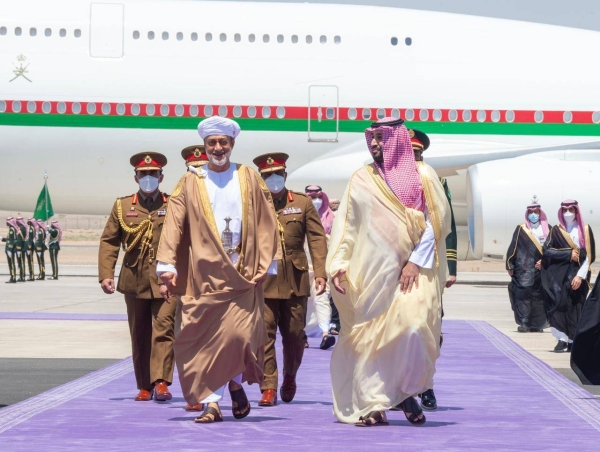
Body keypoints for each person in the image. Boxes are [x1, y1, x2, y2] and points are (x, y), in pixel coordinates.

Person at [328, 117, 451, 426]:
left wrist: (413, 263)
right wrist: (339, 264)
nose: (374, 144)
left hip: (415, 272)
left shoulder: (423, 175)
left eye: (381, 138)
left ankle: (408, 392)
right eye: (371, 138)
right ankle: (373, 406)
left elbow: (436, 225)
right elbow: (347, 227)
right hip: (371, 272)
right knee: (370, 339)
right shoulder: (360, 178)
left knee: (412, 329)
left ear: (396, 139)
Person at [156, 116, 280, 424]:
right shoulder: (190, 181)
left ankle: (235, 382)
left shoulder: (249, 177)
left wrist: (270, 263)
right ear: (204, 147)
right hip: (202, 276)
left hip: (243, 272)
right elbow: (173, 223)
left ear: (232, 144)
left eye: (223, 142)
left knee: (238, 337)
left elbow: (267, 220)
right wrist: (166, 265)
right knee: (201, 341)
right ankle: (213, 404)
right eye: (211, 143)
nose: (217, 148)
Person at [99, 151, 177, 402]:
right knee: (139, 332)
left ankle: (162, 381)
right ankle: (144, 384)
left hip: (166, 279)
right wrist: (105, 274)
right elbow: (110, 241)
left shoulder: (173, 203)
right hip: (134, 279)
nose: (148, 178)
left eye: (153, 174)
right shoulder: (122, 206)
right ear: (136, 177)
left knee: (164, 329)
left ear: (161, 176)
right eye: (143, 174)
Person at [252, 152, 328, 407]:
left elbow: (316, 239)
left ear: (285, 176)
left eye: (277, 175)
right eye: (267, 176)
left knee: (295, 335)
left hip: (295, 280)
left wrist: (320, 272)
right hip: (263, 280)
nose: (273, 179)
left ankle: (290, 376)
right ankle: (269, 386)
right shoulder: (253, 204)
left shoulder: (303, 203)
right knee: (264, 335)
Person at [409, 128, 457, 411]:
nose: (414, 160)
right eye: (409, 154)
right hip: (398, 268)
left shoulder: (436, 181)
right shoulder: (389, 182)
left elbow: (446, 225)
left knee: (429, 327)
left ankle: (426, 386)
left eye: (418, 155)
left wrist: (450, 266)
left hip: (430, 267)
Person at [542, 200, 595, 352]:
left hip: (578, 274)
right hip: (558, 276)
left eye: (571, 209)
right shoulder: (556, 230)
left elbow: (589, 256)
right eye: (564, 210)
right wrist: (568, 254)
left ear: (576, 211)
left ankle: (573, 340)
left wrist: (580, 276)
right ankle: (561, 339)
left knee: (575, 307)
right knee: (558, 305)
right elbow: (547, 251)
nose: (568, 213)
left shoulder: (584, 229)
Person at [506, 200, 550, 333]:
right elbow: (513, 247)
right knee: (522, 295)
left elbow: (554, 249)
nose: (533, 214)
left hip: (542, 269)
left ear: (540, 213)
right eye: (530, 212)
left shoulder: (550, 229)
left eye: (535, 212)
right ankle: (524, 322)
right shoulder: (522, 229)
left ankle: (537, 324)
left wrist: (545, 261)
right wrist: (510, 264)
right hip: (524, 268)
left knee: (540, 296)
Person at [304, 185, 335, 350]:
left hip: (322, 265)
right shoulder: (300, 216)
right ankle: (301, 335)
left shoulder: (331, 218)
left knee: (321, 296)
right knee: (303, 302)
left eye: (318, 197)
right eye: (311, 197)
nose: (315, 201)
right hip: (302, 265)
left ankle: (325, 333)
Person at [4, 217, 18, 283]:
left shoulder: (12, 230)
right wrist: (2, 239)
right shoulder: (11, 229)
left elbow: (12, 240)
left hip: (10, 249)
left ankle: (13, 277)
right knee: (11, 263)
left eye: (7, 221)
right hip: (10, 249)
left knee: (11, 263)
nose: (7, 223)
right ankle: (12, 277)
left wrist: (9, 249)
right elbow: (9, 239)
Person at [15, 216, 28, 282]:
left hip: (21, 248)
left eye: (17, 221)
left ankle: (22, 277)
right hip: (22, 247)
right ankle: (22, 276)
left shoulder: (21, 228)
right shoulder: (23, 227)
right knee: (22, 262)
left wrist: (18, 249)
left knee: (22, 262)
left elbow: (19, 239)